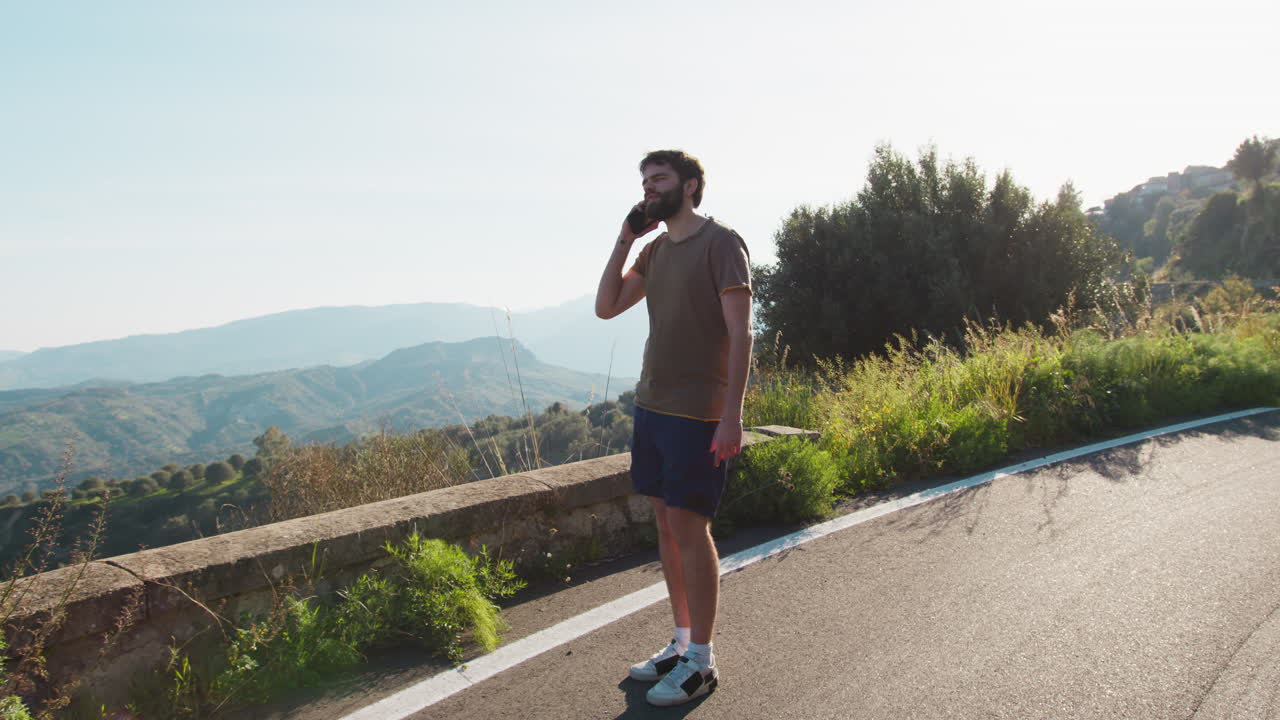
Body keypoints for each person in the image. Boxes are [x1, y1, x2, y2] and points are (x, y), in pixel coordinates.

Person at [594, 149, 753, 706]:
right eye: (643, 181)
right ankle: (682, 641)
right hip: (653, 405)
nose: (647, 188)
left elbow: (742, 334)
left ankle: (702, 661)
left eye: (658, 179)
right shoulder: (656, 249)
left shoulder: (722, 244)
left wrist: (732, 413)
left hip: (699, 411)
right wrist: (625, 237)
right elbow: (607, 306)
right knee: (666, 527)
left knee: (691, 530)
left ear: (689, 186)